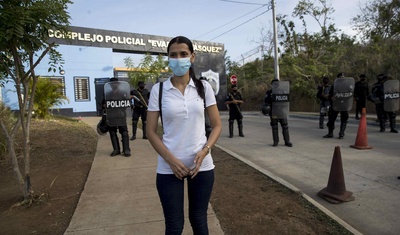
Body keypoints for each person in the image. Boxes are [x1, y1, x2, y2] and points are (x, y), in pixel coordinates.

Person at [146, 36, 222, 235]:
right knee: (174, 225)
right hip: (169, 168)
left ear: (192, 57)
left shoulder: (204, 88)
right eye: (173, 55)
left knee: (199, 220)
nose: (178, 59)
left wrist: (205, 151)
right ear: (168, 59)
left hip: (201, 167)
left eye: (183, 54)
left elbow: (216, 126)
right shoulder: (159, 90)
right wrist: (171, 160)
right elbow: (151, 131)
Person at [102, 77, 131, 157]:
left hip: (121, 115)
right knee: (112, 132)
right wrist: (104, 106)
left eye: (115, 84)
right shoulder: (107, 94)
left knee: (124, 132)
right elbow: (102, 104)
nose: (114, 85)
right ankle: (116, 149)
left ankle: (126, 149)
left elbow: (127, 103)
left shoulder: (123, 93)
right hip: (111, 116)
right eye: (113, 84)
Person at [264, 79, 293, 147]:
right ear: (272, 85)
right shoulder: (269, 92)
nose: (276, 85)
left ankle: (287, 141)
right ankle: (276, 141)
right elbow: (266, 102)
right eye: (274, 84)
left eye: (277, 83)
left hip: (282, 111)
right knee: (274, 127)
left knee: (285, 126)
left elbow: (287, 100)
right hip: (273, 111)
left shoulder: (283, 91)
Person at [323, 73, 349, 139]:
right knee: (331, 119)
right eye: (340, 77)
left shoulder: (347, 86)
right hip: (335, 104)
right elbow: (330, 95)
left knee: (344, 119)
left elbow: (350, 95)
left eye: (343, 77)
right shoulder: (334, 86)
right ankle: (330, 133)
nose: (342, 79)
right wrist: (330, 97)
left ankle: (341, 134)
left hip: (344, 104)